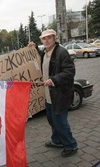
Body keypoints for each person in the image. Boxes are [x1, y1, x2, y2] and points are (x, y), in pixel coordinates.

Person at [31, 29, 78, 157]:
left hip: (60, 95)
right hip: (49, 95)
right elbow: (38, 56)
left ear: (54, 38)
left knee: (60, 122)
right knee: (52, 119)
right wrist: (33, 47)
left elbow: (69, 72)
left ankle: (71, 145)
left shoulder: (62, 52)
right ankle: (57, 140)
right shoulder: (45, 53)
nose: (46, 41)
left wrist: (53, 80)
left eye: (49, 38)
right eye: (43, 39)